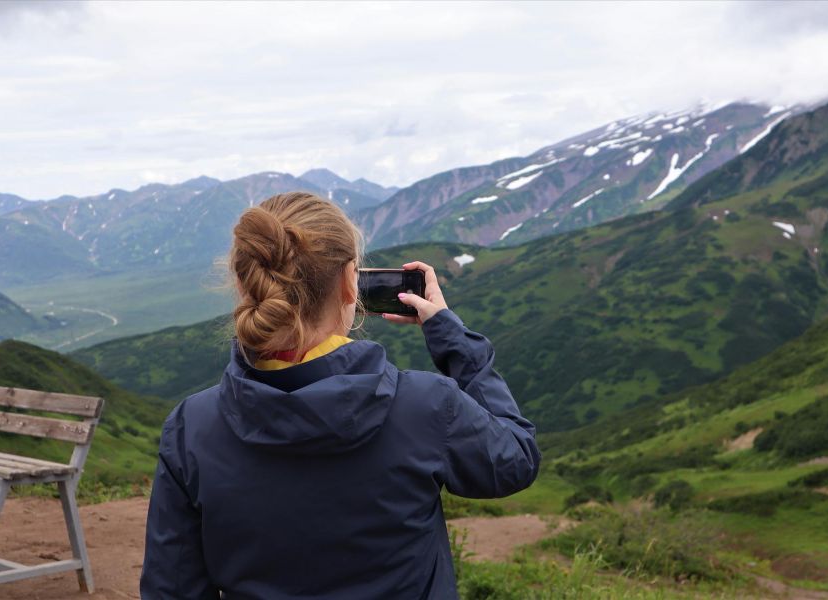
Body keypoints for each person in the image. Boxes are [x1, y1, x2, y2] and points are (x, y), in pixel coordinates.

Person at [140, 191, 540, 599]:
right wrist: (454, 339)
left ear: (245, 285)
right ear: (351, 282)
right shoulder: (427, 405)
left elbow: (170, 589)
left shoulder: (192, 427)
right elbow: (516, 459)